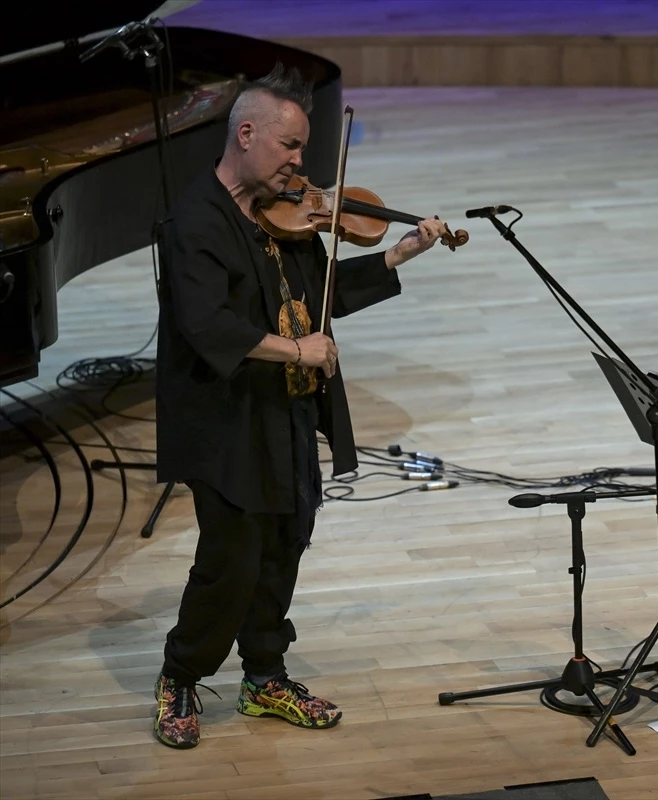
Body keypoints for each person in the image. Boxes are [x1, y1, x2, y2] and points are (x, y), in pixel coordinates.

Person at [151, 63, 450, 748]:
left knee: (286, 542)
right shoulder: (194, 223)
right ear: (246, 132)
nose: (300, 164)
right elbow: (209, 326)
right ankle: (181, 675)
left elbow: (317, 299)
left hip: (284, 412)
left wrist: (398, 254)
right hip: (224, 419)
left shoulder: (285, 218)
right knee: (231, 560)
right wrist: (298, 353)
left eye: (303, 150)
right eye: (289, 147)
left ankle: (264, 676)